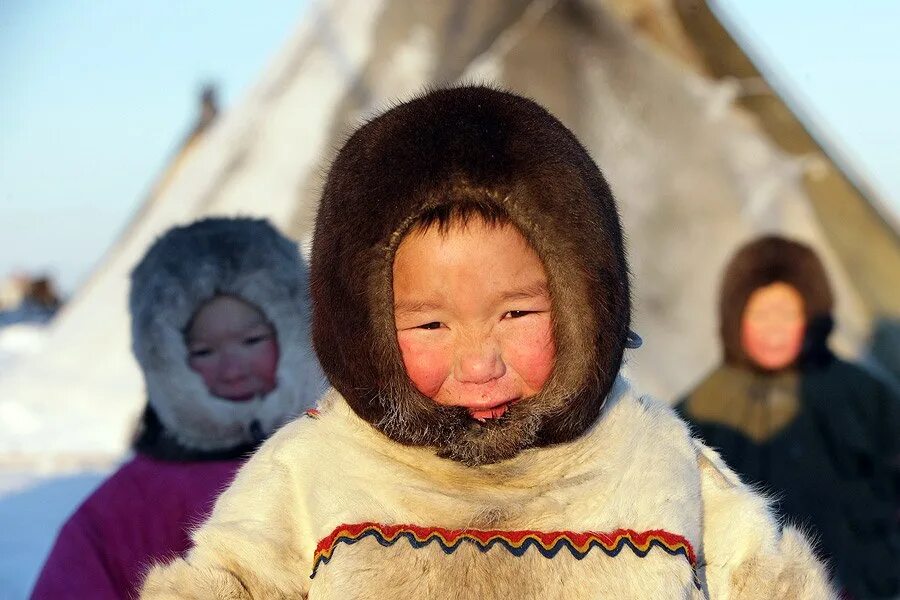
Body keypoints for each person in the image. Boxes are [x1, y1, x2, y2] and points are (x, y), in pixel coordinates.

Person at [141, 87, 835, 599]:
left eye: (515, 314)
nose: (479, 362)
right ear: (364, 328)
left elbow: (763, 581)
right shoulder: (313, 470)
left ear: (585, 301)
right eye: (431, 325)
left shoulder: (651, 458)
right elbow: (227, 581)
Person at [31, 217, 324, 599]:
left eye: (252, 340)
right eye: (204, 351)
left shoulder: (349, 461)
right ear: (166, 359)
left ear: (293, 333)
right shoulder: (121, 511)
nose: (233, 367)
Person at [676, 236, 900, 599]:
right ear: (736, 318)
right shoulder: (701, 408)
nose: (774, 328)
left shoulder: (862, 393)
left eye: (787, 314)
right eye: (761, 314)